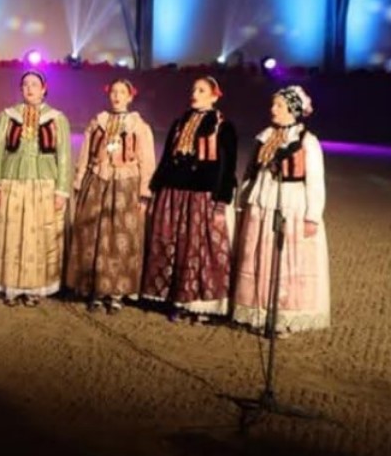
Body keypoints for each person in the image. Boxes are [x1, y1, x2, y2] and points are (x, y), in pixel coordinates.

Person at [231, 85, 330, 335]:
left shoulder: (306, 141)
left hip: (291, 203)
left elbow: (315, 181)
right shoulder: (265, 136)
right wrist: (243, 201)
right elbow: (250, 173)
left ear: (292, 110)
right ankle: (258, 310)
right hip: (263, 199)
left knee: (285, 260)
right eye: (273, 105)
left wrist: (312, 216)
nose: (273, 109)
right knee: (257, 254)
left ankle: (282, 314)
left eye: (279, 106)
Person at [141, 76, 238, 324]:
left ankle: (199, 304)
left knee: (199, 248)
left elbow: (227, 167)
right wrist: (156, 187)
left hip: (202, 194)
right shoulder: (179, 123)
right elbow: (166, 158)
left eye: (202, 90)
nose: (195, 94)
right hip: (174, 191)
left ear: (214, 96)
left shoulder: (222, 126)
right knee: (171, 243)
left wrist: (222, 198)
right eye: (194, 89)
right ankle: (175, 299)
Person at [64, 79, 156, 314]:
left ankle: (116, 292)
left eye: (122, 92)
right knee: (94, 233)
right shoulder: (98, 122)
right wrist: (79, 181)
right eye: (114, 91)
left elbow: (147, 161)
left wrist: (144, 193)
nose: (117, 96)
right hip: (98, 180)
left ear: (130, 96)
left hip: (126, 184)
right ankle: (94, 288)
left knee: (120, 237)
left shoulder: (138, 126)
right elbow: (85, 154)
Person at [0, 70, 72, 307]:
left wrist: (62, 190)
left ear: (44, 89)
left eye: (34, 84)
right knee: (11, 235)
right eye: (25, 84)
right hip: (12, 182)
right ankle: (11, 287)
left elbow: (64, 156)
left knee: (39, 237)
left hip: (44, 185)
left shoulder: (57, 119)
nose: (30, 88)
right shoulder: (7, 116)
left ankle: (35, 288)